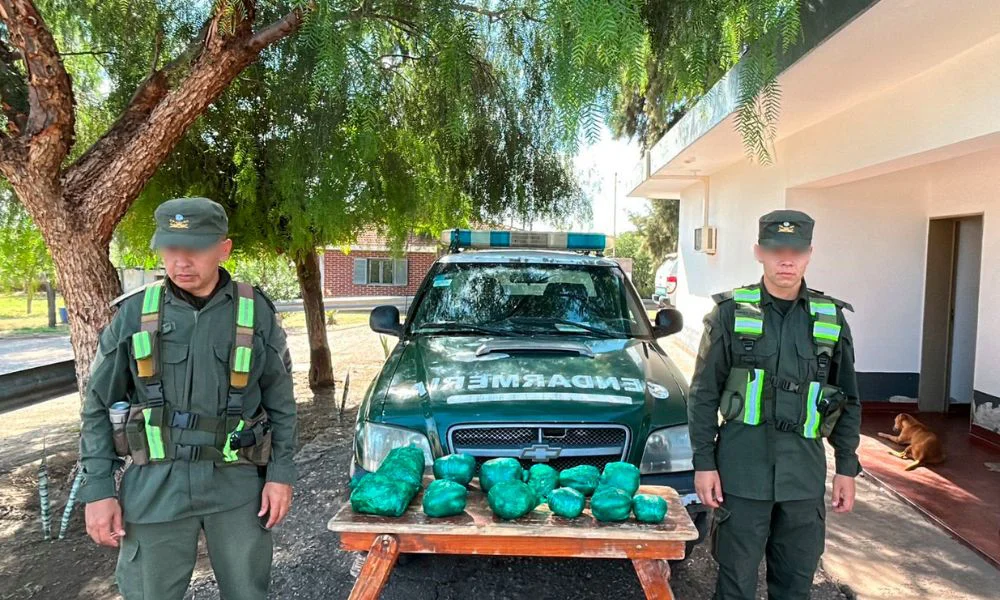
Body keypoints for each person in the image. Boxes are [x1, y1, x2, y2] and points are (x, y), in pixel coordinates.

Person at [78, 197, 297, 599]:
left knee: (248, 594)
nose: (180, 262)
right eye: (170, 248)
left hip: (236, 486)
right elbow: (97, 406)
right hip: (155, 486)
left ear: (223, 249)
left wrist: (280, 475)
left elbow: (281, 402)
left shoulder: (255, 311)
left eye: (195, 248)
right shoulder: (134, 314)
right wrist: (98, 491)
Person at [687, 209, 861, 600]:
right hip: (741, 472)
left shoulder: (830, 318)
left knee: (795, 585)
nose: (786, 260)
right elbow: (703, 394)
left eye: (796, 251)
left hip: (803, 476)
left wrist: (846, 467)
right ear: (758, 252)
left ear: (809, 254)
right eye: (776, 249)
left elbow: (847, 399)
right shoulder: (730, 313)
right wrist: (704, 462)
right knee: (735, 584)